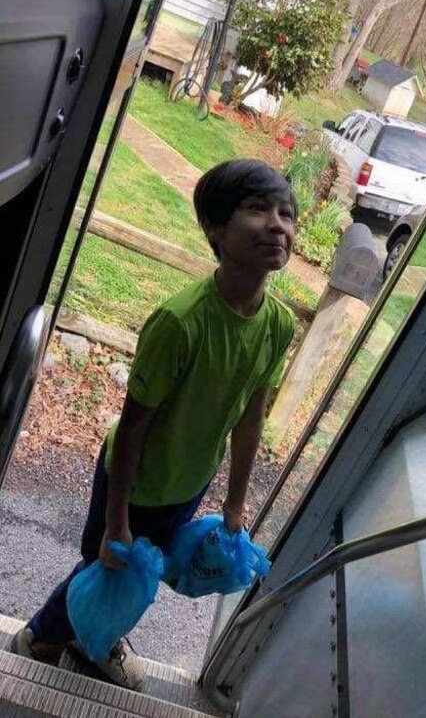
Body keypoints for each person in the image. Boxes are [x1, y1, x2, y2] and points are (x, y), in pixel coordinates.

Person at [12, 158, 297, 690]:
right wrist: (118, 518)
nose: (278, 224)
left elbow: (251, 417)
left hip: (190, 480)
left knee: (147, 567)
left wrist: (235, 502)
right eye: (258, 209)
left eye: (286, 212)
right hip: (136, 481)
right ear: (214, 229)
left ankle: (96, 633)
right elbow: (134, 427)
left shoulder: (277, 324)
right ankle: (42, 637)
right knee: (109, 562)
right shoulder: (181, 322)